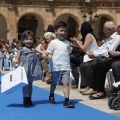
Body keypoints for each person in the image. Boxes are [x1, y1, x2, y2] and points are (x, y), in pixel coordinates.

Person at [80, 21, 120, 96]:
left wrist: (95, 54)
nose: (103, 30)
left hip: (112, 58)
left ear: (109, 30)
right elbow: (102, 48)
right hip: (107, 57)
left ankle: (98, 89)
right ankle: (94, 87)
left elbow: (110, 51)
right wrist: (93, 53)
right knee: (86, 65)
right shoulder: (109, 38)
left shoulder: (117, 37)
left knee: (99, 66)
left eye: (104, 29)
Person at [46, 21, 75, 108]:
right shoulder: (53, 42)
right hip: (56, 67)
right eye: (61, 30)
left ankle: (66, 100)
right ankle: (51, 94)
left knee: (66, 83)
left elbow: (68, 53)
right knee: (54, 83)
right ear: (56, 31)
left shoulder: (67, 43)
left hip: (66, 66)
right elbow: (49, 52)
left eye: (65, 31)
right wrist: (49, 56)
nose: (63, 33)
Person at [12, 30, 44, 106]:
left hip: (32, 69)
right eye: (27, 39)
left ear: (33, 40)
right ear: (23, 41)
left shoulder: (34, 49)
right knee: (25, 84)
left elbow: (42, 52)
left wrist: (45, 53)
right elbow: (17, 58)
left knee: (30, 84)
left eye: (30, 39)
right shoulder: (21, 49)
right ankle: (24, 98)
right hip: (24, 69)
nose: (29, 41)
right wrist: (15, 61)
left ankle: (29, 98)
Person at [70, 22, 98, 89]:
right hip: (86, 57)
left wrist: (77, 41)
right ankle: (78, 81)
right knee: (71, 64)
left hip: (89, 58)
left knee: (69, 56)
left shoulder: (88, 36)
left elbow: (84, 49)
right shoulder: (89, 36)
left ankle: (80, 82)